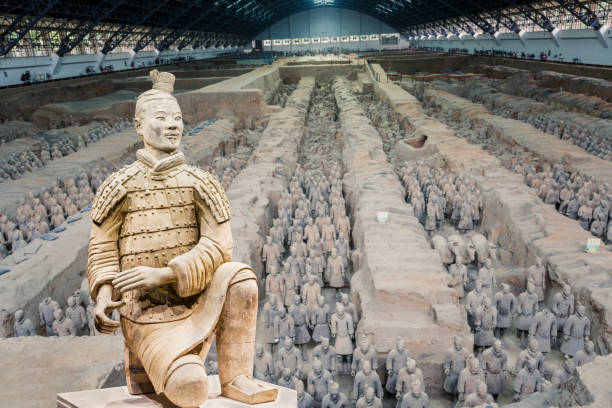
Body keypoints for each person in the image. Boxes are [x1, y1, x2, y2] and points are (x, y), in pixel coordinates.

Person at [87, 70, 276, 407]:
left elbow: (219, 247)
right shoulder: (119, 185)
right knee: (190, 388)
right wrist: (104, 293)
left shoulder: (201, 182)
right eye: (161, 118)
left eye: (177, 118)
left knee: (241, 278)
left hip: (194, 300)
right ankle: (164, 367)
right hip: (147, 311)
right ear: (138, 126)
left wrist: (166, 273)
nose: (173, 125)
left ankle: (237, 378)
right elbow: (102, 247)